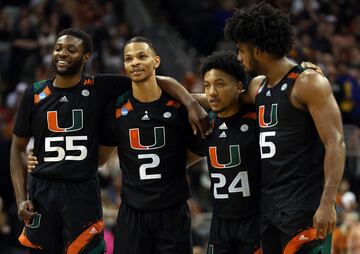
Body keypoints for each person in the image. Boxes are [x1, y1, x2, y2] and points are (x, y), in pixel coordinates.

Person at [10, 28, 207, 253]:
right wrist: (20, 197)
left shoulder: (100, 87)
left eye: (71, 49)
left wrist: (191, 102)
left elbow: (154, 80)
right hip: (42, 191)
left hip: (82, 191)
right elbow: (17, 148)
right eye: (58, 48)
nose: (62, 53)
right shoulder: (34, 94)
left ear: (86, 57)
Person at [224, 3, 345, 253]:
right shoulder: (258, 87)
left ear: (257, 50)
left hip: (304, 209)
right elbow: (220, 99)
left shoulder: (308, 83)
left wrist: (328, 204)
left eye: (240, 50)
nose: (238, 57)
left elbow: (335, 142)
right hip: (269, 210)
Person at [99, 36, 196, 254]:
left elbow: (198, 150)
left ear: (156, 61)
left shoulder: (179, 106)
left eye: (142, 56)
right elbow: (99, 158)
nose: (134, 62)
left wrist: (175, 164)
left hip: (173, 211)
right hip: (133, 212)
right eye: (128, 58)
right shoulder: (115, 109)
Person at [188, 50, 261, 254]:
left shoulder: (257, 118)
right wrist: (190, 102)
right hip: (220, 223)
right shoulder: (206, 123)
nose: (212, 92)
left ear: (238, 87)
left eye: (220, 84)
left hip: (256, 220)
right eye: (207, 85)